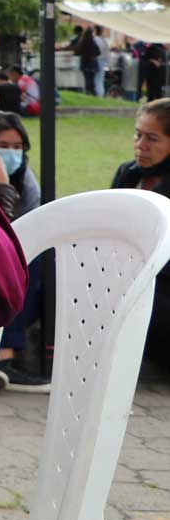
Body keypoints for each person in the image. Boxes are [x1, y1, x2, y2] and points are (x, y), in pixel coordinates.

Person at [0, 112, 50, 392]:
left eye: (17, 147)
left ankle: (10, 356)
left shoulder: (27, 180)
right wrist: (0, 177)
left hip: (14, 254)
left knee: (40, 264)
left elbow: (33, 225)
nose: (12, 153)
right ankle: (1, 358)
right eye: (3, 145)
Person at [111, 100, 170, 365]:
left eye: (152, 138)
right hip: (121, 271)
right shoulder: (127, 173)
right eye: (138, 134)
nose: (140, 145)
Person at [93, 26, 110, 97]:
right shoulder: (104, 40)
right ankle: (100, 93)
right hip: (103, 62)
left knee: (97, 79)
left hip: (97, 61)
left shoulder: (95, 40)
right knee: (100, 79)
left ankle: (98, 94)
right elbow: (107, 54)